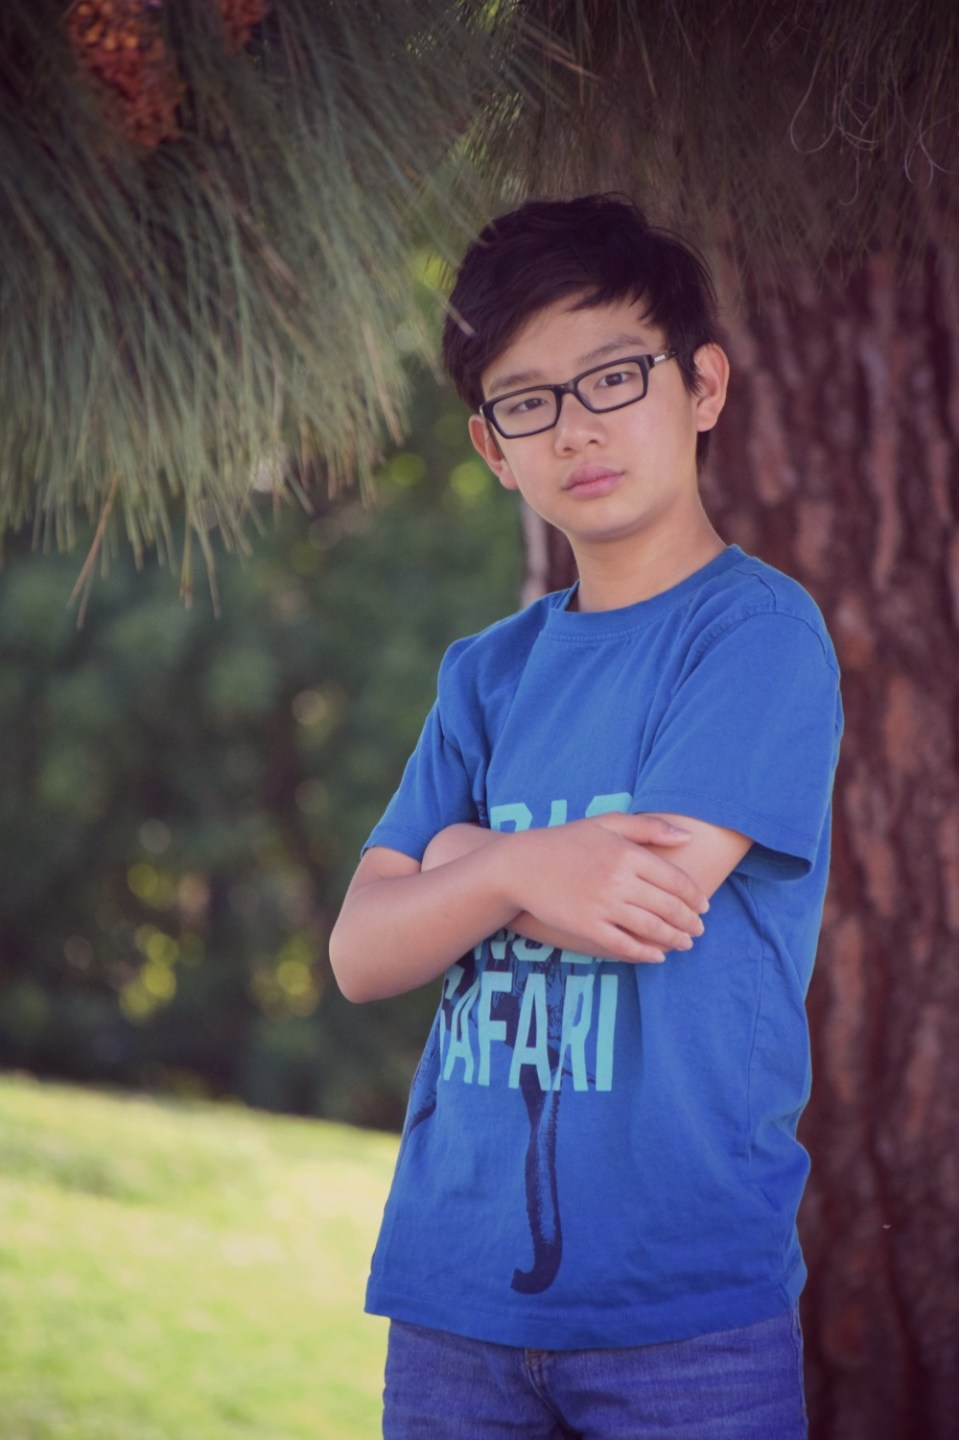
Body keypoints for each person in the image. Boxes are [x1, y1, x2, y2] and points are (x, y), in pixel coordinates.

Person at [329, 193, 842, 1439]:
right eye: (527, 401)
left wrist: (460, 860)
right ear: (491, 446)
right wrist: (520, 869)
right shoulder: (486, 673)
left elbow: (642, 900)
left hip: (681, 1313)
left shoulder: (756, 635)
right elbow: (359, 952)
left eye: (613, 376)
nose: (575, 427)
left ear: (701, 385)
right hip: (452, 1297)